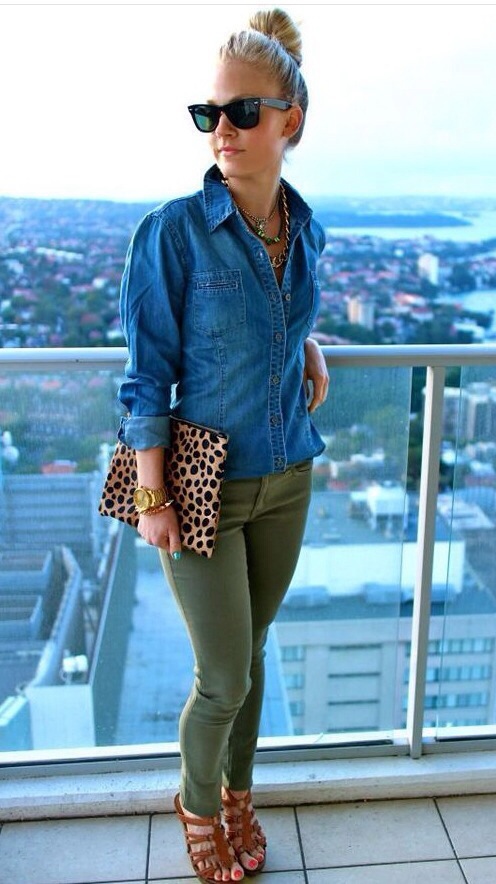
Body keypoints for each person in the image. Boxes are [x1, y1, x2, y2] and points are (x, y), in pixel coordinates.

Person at [117, 7, 328, 882]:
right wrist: (151, 496)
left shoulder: (305, 228)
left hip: (288, 476)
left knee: (255, 654)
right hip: (203, 488)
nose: (223, 130)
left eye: (243, 112)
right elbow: (146, 376)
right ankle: (199, 805)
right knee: (223, 678)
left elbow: (280, 316)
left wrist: (305, 342)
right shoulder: (172, 232)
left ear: (290, 121)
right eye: (210, 113)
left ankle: (241, 795)